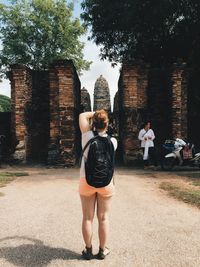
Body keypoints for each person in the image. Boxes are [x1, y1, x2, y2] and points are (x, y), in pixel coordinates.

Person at [79, 110, 117, 260]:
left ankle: (88, 250)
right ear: (107, 124)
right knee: (103, 218)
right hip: (107, 183)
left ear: (93, 123)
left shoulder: (86, 137)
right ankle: (102, 250)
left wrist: (95, 113)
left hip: (86, 181)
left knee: (87, 218)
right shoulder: (113, 142)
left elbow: (82, 116)